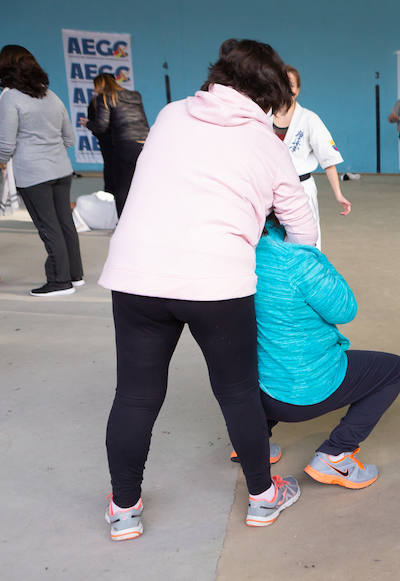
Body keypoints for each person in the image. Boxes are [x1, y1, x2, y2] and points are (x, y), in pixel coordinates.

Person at [97, 39, 318, 541]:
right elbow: (303, 230)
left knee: (135, 395)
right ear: (269, 95)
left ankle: (124, 508)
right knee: (237, 391)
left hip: (136, 275)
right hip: (217, 282)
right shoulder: (266, 142)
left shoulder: (172, 115)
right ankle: (263, 498)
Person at [243, 216, 400, 489]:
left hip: (254, 392)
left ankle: (249, 443)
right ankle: (336, 454)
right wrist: (315, 255)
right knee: (394, 370)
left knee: (269, 353)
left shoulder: (237, 255)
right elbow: (345, 309)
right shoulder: (297, 260)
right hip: (302, 392)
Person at [0, 44, 84, 297]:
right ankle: (75, 275)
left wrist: (2, 161)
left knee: (48, 227)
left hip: (33, 173)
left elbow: (6, 143)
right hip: (61, 169)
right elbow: (69, 137)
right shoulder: (50, 95)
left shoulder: (10, 97)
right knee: (65, 223)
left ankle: (59, 281)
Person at [272, 65, 350, 250]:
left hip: (301, 188)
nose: (286, 89)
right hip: (269, 191)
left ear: (298, 90)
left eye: (291, 85)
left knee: (305, 243)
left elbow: (328, 159)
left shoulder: (309, 119)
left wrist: (338, 194)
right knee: (270, 243)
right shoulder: (262, 117)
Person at [83, 73, 150, 216]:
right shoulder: (135, 95)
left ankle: (124, 222)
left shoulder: (105, 97)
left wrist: (88, 123)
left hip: (125, 144)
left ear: (100, 85)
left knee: (122, 188)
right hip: (145, 143)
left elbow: (101, 126)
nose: (94, 90)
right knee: (142, 185)